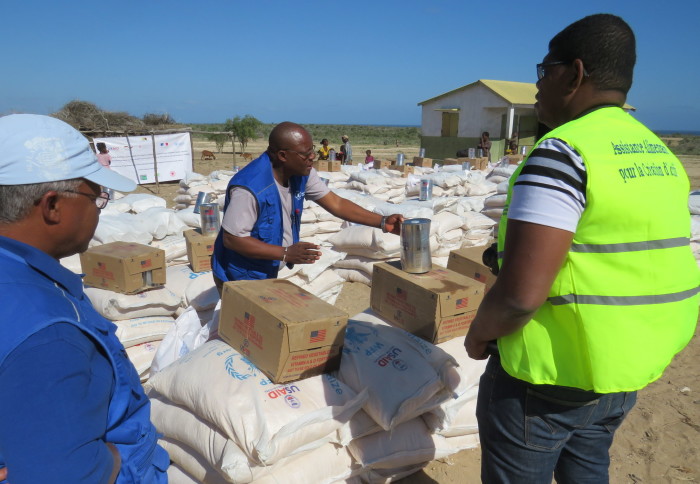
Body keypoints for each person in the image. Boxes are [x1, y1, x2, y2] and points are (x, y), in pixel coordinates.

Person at [464, 14, 698, 483]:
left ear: (574, 73)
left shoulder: (563, 152)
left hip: (549, 380)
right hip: (626, 371)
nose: (536, 88)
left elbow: (519, 297)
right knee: (588, 471)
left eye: (543, 72)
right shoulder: (657, 153)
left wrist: (478, 334)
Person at [0, 114, 169, 483]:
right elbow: (59, 472)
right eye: (95, 197)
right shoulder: (48, 333)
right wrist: (113, 460)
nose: (97, 209)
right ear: (53, 206)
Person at [212, 122, 403, 292]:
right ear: (282, 155)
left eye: (312, 149)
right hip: (239, 275)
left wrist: (383, 221)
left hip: (264, 268)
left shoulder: (301, 172)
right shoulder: (250, 188)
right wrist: (285, 253)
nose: (313, 156)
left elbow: (336, 203)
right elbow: (233, 239)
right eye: (305, 153)